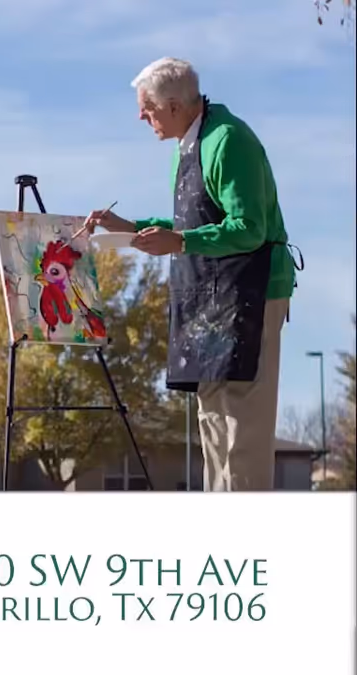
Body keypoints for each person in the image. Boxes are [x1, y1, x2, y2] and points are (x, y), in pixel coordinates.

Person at [85, 57, 299, 491]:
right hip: (209, 298)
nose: (140, 116)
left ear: (175, 106)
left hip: (250, 295)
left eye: (146, 107)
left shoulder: (229, 140)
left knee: (241, 429)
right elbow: (191, 224)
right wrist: (128, 228)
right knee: (213, 424)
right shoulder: (189, 144)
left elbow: (249, 228)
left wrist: (179, 243)